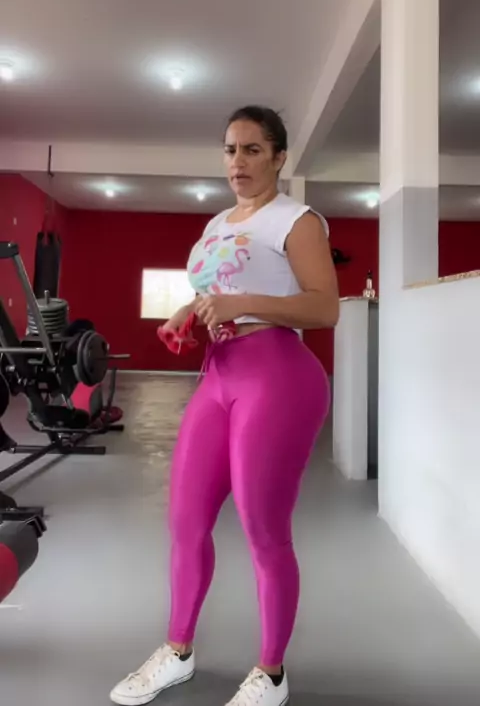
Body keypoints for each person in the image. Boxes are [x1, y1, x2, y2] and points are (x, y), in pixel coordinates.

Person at [110, 106, 339, 706]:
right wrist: (190, 311)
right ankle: (178, 650)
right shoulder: (217, 223)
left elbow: (324, 308)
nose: (238, 162)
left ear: (279, 157)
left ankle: (271, 673)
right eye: (231, 149)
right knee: (185, 521)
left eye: (253, 149)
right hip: (218, 375)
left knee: (264, 528)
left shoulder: (296, 220)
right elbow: (215, 292)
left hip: (278, 377)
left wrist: (243, 303)